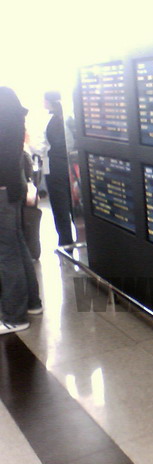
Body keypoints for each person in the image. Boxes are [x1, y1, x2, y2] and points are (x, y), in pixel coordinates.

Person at [0, 86, 43, 334]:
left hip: (2, 190)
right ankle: (32, 303)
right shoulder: (14, 116)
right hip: (12, 189)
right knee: (16, 246)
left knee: (7, 254)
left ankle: (15, 317)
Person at [43, 91, 74, 246]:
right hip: (68, 164)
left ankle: (65, 240)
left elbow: (45, 146)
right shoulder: (67, 118)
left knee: (59, 203)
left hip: (54, 165)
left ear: (48, 101)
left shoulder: (53, 121)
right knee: (72, 201)